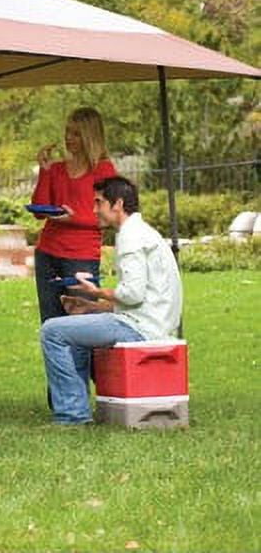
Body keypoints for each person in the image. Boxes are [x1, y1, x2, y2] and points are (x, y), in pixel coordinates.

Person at [39, 176, 183, 425]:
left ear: (117, 204)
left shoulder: (130, 237)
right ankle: (77, 410)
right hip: (151, 323)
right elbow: (141, 299)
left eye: (98, 203)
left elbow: (132, 294)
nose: (94, 210)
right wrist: (92, 308)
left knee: (52, 331)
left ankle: (72, 416)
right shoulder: (143, 232)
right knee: (73, 328)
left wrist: (95, 292)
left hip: (141, 330)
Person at [30, 107, 117, 324]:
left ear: (90, 136)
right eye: (67, 132)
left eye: (76, 134)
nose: (69, 138)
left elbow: (107, 218)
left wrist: (73, 218)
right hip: (48, 252)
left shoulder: (103, 170)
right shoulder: (57, 169)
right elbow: (40, 211)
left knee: (82, 321)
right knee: (50, 323)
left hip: (81, 256)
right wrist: (45, 171)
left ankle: (82, 360)